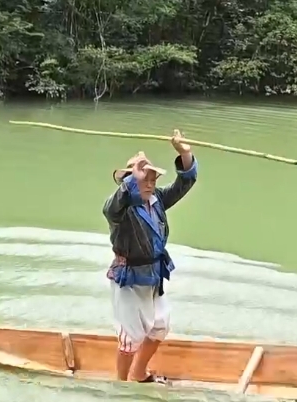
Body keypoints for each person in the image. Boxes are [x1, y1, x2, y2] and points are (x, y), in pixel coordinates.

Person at [102, 129, 198, 383]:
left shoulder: (157, 200)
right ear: (130, 181)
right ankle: (122, 384)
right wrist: (132, 179)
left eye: (152, 178)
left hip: (154, 276)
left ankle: (139, 372)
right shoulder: (120, 209)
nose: (149, 182)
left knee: (159, 326)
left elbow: (183, 184)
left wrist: (185, 154)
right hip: (130, 280)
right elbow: (112, 206)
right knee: (130, 337)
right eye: (144, 178)